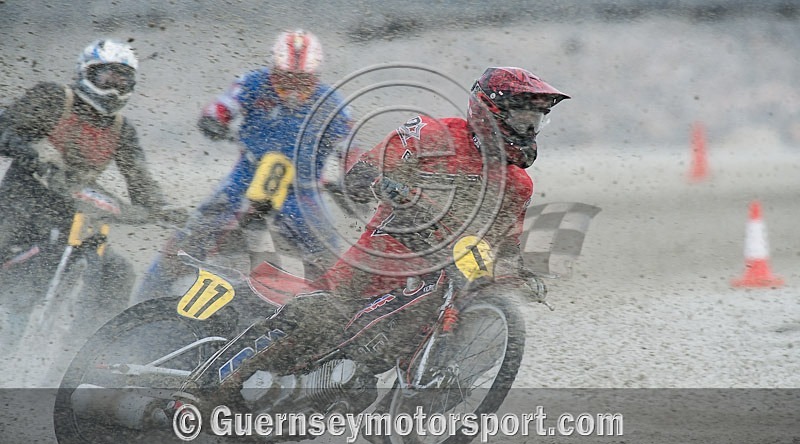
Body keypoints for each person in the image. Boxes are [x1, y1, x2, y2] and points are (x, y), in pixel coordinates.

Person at [216, 66, 569, 391]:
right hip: (374, 263)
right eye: (523, 117)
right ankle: (222, 387)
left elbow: (504, 246)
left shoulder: (518, 184)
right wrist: (384, 183)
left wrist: (521, 274)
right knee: (319, 321)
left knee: (458, 323)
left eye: (536, 120)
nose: (529, 129)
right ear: (491, 112)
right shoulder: (432, 134)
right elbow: (361, 174)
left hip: (439, 280)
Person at [135, 29, 354, 301]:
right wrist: (214, 120)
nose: (293, 88)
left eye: (302, 80)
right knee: (190, 234)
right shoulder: (252, 83)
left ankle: (336, 308)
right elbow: (221, 106)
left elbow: (350, 147)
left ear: (315, 75)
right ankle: (146, 297)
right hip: (247, 177)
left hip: (302, 190)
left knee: (330, 255)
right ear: (273, 69)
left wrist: (356, 173)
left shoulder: (332, 103)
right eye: (285, 78)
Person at [0, 39, 186, 342]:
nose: (113, 88)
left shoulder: (122, 130)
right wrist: (29, 153)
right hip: (21, 203)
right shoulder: (54, 99)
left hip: (73, 215)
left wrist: (162, 209)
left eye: (122, 81)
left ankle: (93, 348)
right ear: (86, 73)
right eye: (107, 78)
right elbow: (4, 128)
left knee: (118, 271)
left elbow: (140, 182)